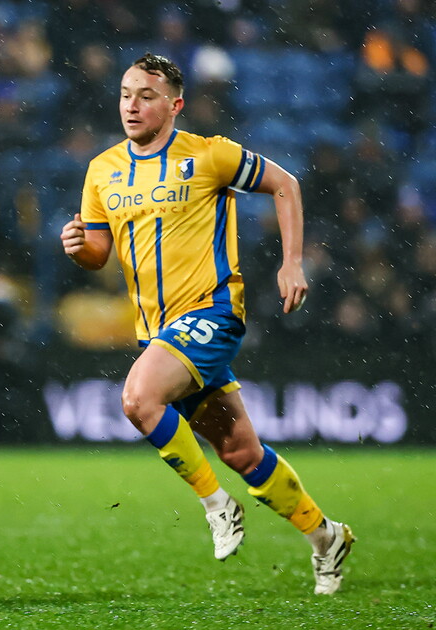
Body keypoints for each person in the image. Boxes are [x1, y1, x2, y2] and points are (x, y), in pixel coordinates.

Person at [59, 53, 354, 595]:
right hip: (158, 331)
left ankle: (217, 506)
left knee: (138, 400)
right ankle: (326, 536)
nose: (132, 105)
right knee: (242, 453)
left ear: (175, 105)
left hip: (211, 312)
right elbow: (98, 252)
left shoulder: (209, 155)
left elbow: (285, 184)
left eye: (147, 96)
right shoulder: (102, 169)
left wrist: (292, 262)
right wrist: (78, 247)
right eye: (126, 94)